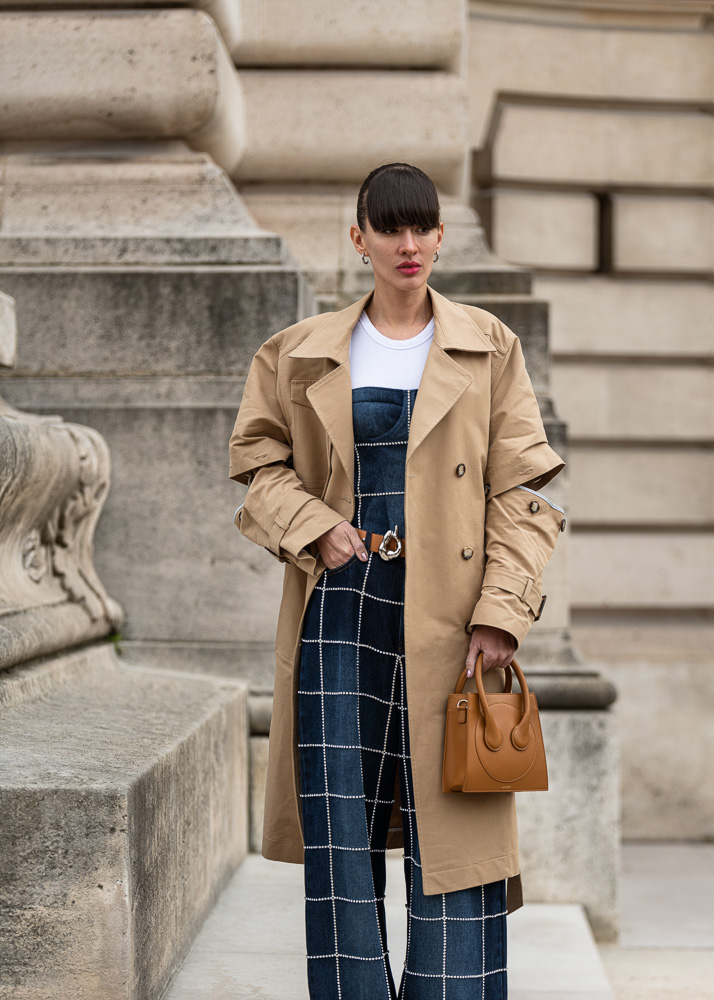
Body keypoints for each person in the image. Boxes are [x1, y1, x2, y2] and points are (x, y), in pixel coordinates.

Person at [229, 162, 566, 1000]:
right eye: (390, 228)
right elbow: (258, 466)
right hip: (339, 616)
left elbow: (521, 497)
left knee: (455, 841)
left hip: (456, 625)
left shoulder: (490, 346)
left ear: (442, 237)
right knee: (341, 845)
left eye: (422, 228)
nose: (408, 245)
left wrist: (501, 614)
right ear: (360, 241)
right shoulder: (298, 352)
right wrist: (318, 527)